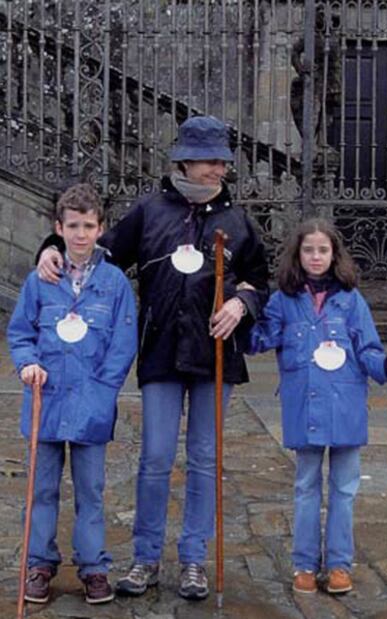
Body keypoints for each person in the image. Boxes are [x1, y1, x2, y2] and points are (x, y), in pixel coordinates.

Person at [36, 115, 269, 600]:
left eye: (223, 162)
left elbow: (261, 280)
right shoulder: (149, 211)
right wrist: (50, 248)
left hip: (218, 357)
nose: (220, 170)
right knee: (156, 458)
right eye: (211, 161)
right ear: (185, 159)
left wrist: (241, 303)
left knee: (204, 459)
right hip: (162, 353)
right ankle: (144, 558)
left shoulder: (238, 221)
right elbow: (97, 253)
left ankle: (193, 559)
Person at [248, 217, 387, 595]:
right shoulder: (283, 301)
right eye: (308, 250)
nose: (315, 257)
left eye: (323, 250)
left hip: (346, 403)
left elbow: (367, 349)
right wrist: (236, 314)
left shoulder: (351, 301)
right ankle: (304, 563)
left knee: (344, 488)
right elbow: (260, 338)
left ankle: (338, 563)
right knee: (305, 485)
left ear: (335, 254)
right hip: (304, 405)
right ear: (297, 254)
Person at [8, 183, 138, 605]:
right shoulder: (39, 280)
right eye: (72, 226)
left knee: (91, 490)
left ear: (100, 229)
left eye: (88, 225)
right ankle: (39, 563)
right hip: (45, 400)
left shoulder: (116, 284)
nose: (80, 234)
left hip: (91, 404)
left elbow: (122, 343)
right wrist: (26, 361)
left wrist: (104, 390)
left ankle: (94, 566)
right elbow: (21, 331)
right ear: (58, 228)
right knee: (42, 489)